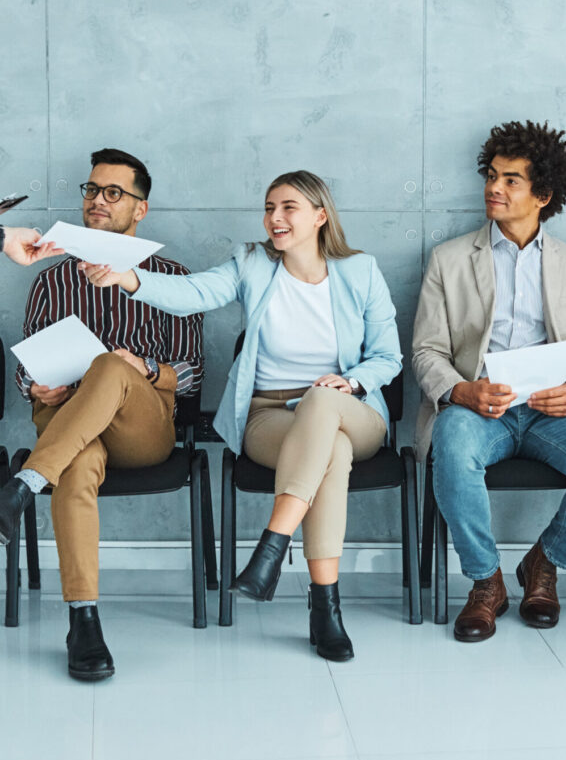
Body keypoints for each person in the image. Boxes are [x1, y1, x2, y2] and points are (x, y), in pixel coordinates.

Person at [82, 169, 401, 662]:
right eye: (269, 207)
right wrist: (128, 279)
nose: (275, 217)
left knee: (323, 405)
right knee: (329, 452)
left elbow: (389, 357)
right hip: (268, 415)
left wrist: (352, 382)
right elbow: (193, 293)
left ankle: (272, 545)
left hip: (352, 410)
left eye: (288, 208)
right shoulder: (252, 263)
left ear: (320, 216)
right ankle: (324, 608)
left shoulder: (361, 271)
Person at [412, 120, 566, 642]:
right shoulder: (449, 259)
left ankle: (543, 564)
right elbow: (426, 350)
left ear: (543, 195)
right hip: (478, 406)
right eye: (491, 176)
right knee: (451, 448)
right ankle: (486, 582)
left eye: (511, 180)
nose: (494, 187)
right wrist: (461, 391)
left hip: (555, 411)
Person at [0, 149, 203, 681]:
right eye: (92, 190)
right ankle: (82, 621)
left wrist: (143, 366)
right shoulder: (51, 281)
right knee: (77, 460)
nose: (98, 201)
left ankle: (21, 486)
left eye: (113, 192)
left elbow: (193, 375)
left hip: (143, 425)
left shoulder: (169, 276)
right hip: (67, 420)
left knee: (110, 364)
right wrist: (34, 385)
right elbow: (27, 368)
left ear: (141, 209)